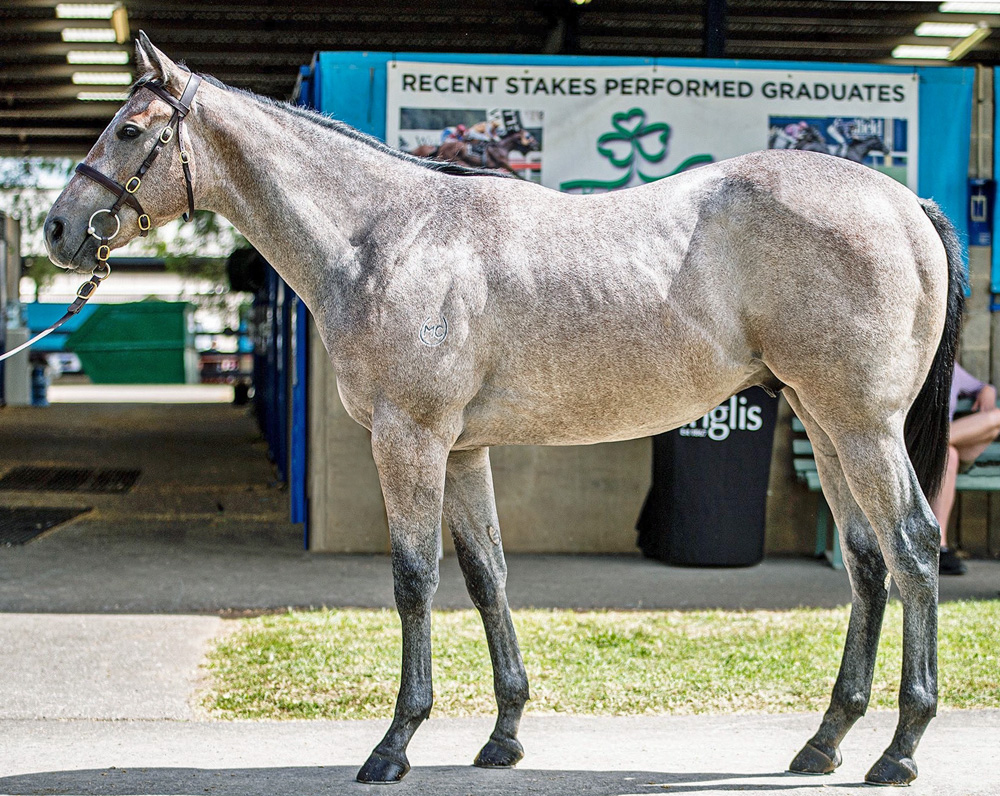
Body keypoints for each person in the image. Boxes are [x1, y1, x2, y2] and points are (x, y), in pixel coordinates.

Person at [929, 362, 1000, 575]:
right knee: (949, 455)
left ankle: (938, 443)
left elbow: (978, 386)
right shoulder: (909, 362)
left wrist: (987, 390)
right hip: (915, 451)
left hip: (943, 446)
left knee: (995, 420)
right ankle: (939, 547)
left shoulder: (949, 366)